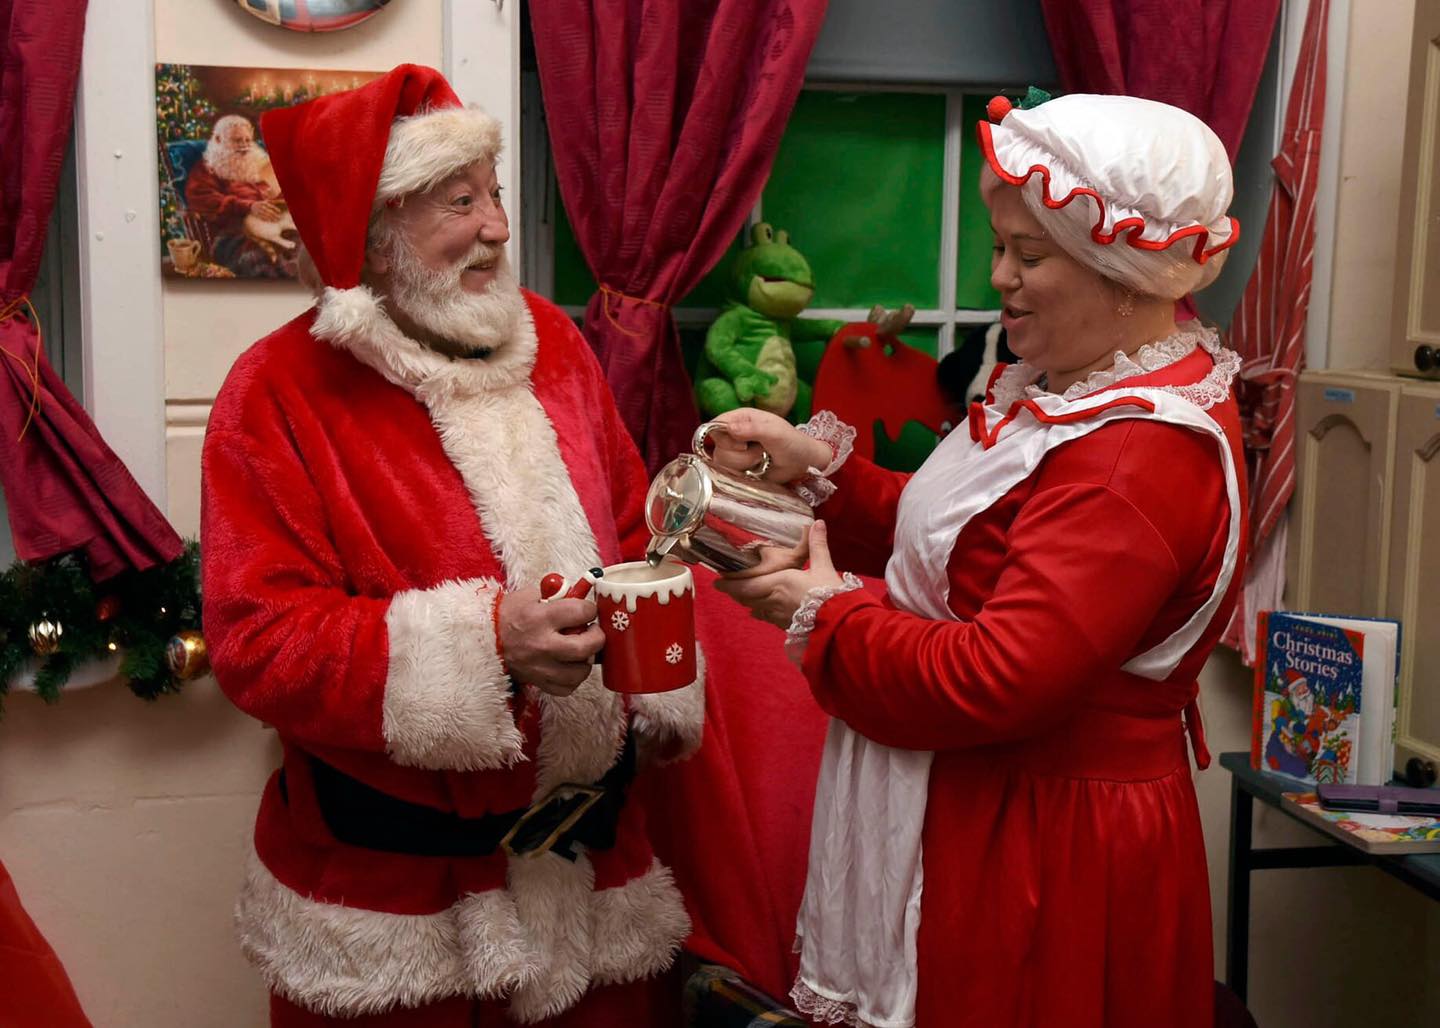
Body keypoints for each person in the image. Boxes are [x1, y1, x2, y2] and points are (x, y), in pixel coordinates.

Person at [707, 92, 1248, 1028]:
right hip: (997, 810)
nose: (1000, 276)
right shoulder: (1067, 386)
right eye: (1000, 247)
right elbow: (972, 543)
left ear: (1119, 269)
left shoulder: (1134, 456)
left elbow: (1000, 676)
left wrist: (821, 610)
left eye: (1029, 256)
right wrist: (821, 471)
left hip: (1043, 846)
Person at [200, 65, 703, 1027]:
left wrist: (661, 642)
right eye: (459, 202)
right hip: (402, 914)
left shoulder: (558, 343)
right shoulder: (275, 392)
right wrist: (485, 644)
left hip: (598, 883)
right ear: (375, 233)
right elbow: (257, 641)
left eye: (497, 194)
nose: (500, 229)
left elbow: (636, 531)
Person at [185, 114, 292, 274]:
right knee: (260, 261)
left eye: (247, 140)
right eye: (237, 140)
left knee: (305, 250)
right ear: (219, 140)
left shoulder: (258, 163)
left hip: (276, 226)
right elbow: (204, 199)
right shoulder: (207, 169)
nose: (244, 146)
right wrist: (248, 206)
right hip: (233, 236)